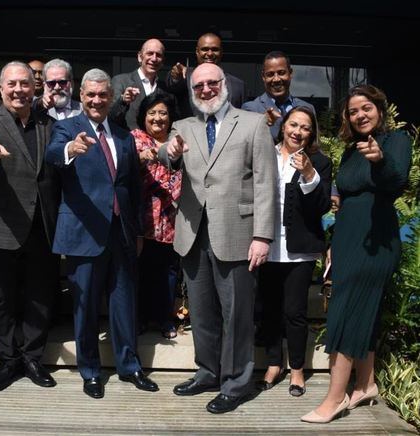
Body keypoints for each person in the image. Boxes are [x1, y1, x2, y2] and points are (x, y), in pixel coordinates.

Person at [158, 63, 276, 414]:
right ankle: (208, 372)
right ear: (192, 92)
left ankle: (237, 383)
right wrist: (171, 153)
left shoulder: (253, 124)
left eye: (212, 83)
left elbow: (265, 184)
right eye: (199, 86)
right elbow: (167, 154)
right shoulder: (183, 126)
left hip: (238, 234)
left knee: (236, 314)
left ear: (224, 85)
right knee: (202, 313)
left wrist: (262, 236)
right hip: (194, 233)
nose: (206, 90)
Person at [45, 68, 159, 399]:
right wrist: (70, 151)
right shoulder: (67, 128)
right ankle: (90, 371)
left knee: (124, 303)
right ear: (82, 96)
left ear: (110, 98)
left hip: (121, 232)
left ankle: (130, 366)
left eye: (102, 95)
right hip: (84, 231)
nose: (96, 100)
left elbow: (132, 187)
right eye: (90, 95)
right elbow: (53, 154)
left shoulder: (124, 135)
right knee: (86, 307)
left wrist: (136, 229)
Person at [301, 85, 412, 423]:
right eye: (353, 111)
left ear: (379, 108)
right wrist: (333, 244)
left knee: (345, 312)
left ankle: (335, 399)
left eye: (366, 108)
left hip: (376, 238)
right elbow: (345, 201)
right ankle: (365, 385)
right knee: (363, 310)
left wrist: (379, 160)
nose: (360, 115)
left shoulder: (396, 141)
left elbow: (397, 178)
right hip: (348, 238)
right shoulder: (350, 151)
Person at [0, 61, 60, 392]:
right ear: (1, 88)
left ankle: (33, 358)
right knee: (1, 298)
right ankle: (7, 360)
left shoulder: (47, 122)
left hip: (41, 226)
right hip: (1, 225)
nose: (19, 90)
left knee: (39, 296)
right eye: (12, 84)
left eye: (25, 84)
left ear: (34, 88)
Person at [256, 106, 332, 397]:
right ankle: (274, 364)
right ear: (283, 125)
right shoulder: (265, 154)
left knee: (295, 312)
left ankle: (297, 370)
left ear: (311, 134)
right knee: (269, 310)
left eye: (304, 127)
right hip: (266, 245)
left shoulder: (320, 162)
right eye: (293, 125)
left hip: (299, 250)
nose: (297, 132)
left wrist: (309, 174)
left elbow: (322, 205)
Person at [130, 93, 182, 339]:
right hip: (142, 220)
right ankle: (140, 318)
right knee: (141, 270)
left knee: (168, 271)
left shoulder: (178, 140)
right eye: (152, 113)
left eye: (163, 113)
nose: (158, 118)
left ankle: (165, 319)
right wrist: (142, 158)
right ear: (143, 117)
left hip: (172, 220)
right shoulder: (135, 139)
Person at [167, 32, 245, 118]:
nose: (210, 53)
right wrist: (176, 77)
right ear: (197, 51)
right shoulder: (185, 75)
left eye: (215, 49)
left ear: (221, 52)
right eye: (205, 49)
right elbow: (173, 86)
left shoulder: (238, 85)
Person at [241, 51, 315, 140]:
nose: (276, 79)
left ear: (290, 73)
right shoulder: (251, 109)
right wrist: (262, 122)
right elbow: (246, 142)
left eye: (281, 73)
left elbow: (313, 146)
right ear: (263, 77)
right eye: (270, 74)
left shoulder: (307, 108)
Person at [110, 38, 171, 130]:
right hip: (130, 141)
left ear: (162, 61)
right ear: (140, 57)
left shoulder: (165, 88)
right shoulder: (120, 81)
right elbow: (110, 116)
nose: (154, 59)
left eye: (158, 55)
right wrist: (123, 101)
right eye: (150, 53)